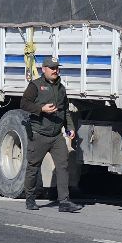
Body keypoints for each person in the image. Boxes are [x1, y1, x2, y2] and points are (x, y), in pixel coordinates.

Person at [21, 57, 83, 213]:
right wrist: (41, 109)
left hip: (56, 136)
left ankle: (64, 202)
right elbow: (24, 104)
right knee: (33, 167)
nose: (55, 70)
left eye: (57, 68)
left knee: (63, 165)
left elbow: (65, 110)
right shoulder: (35, 86)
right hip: (39, 134)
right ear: (44, 69)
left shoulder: (61, 88)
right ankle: (30, 199)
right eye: (52, 68)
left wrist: (70, 127)